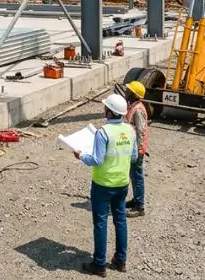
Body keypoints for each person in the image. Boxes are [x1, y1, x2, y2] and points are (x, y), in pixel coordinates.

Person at [75, 93, 137, 276]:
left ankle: (99, 264)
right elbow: (133, 156)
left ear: (109, 111)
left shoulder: (103, 132)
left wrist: (81, 155)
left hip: (103, 184)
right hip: (122, 183)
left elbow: (97, 159)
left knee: (101, 223)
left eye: (105, 107)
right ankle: (120, 260)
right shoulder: (130, 130)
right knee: (120, 220)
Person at [123, 81, 148, 218]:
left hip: (136, 150)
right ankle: (136, 200)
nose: (126, 92)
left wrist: (138, 150)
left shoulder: (137, 110)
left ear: (134, 94)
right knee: (133, 175)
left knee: (137, 176)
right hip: (133, 148)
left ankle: (140, 206)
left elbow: (140, 131)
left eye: (129, 91)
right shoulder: (133, 107)